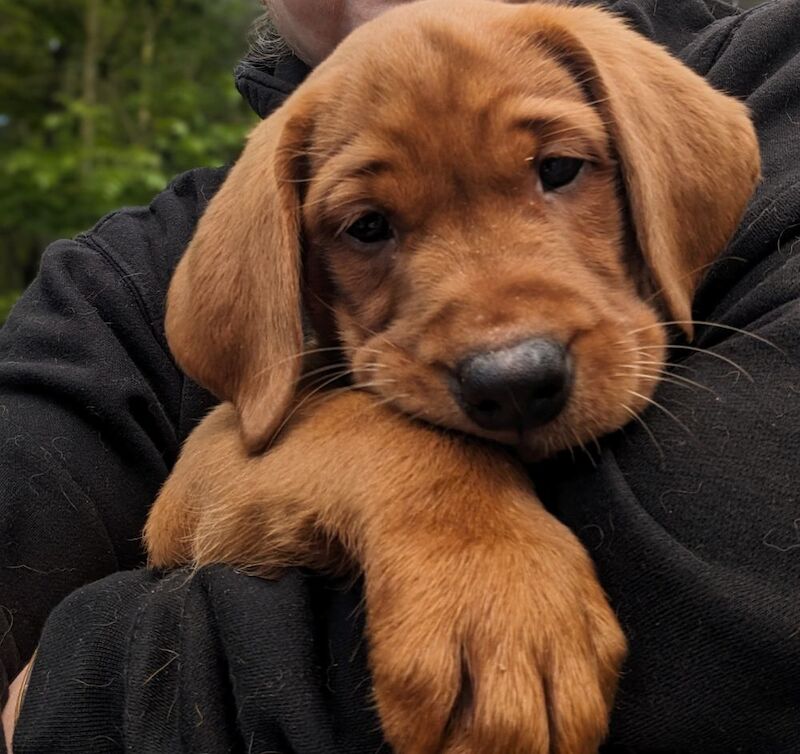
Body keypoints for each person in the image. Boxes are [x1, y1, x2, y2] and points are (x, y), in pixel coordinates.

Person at [2, 0, 799, 751]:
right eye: (368, 226)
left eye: (558, 169)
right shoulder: (120, 285)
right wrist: (431, 497)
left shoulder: (766, 72)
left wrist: (78, 695)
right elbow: (218, 472)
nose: (505, 349)